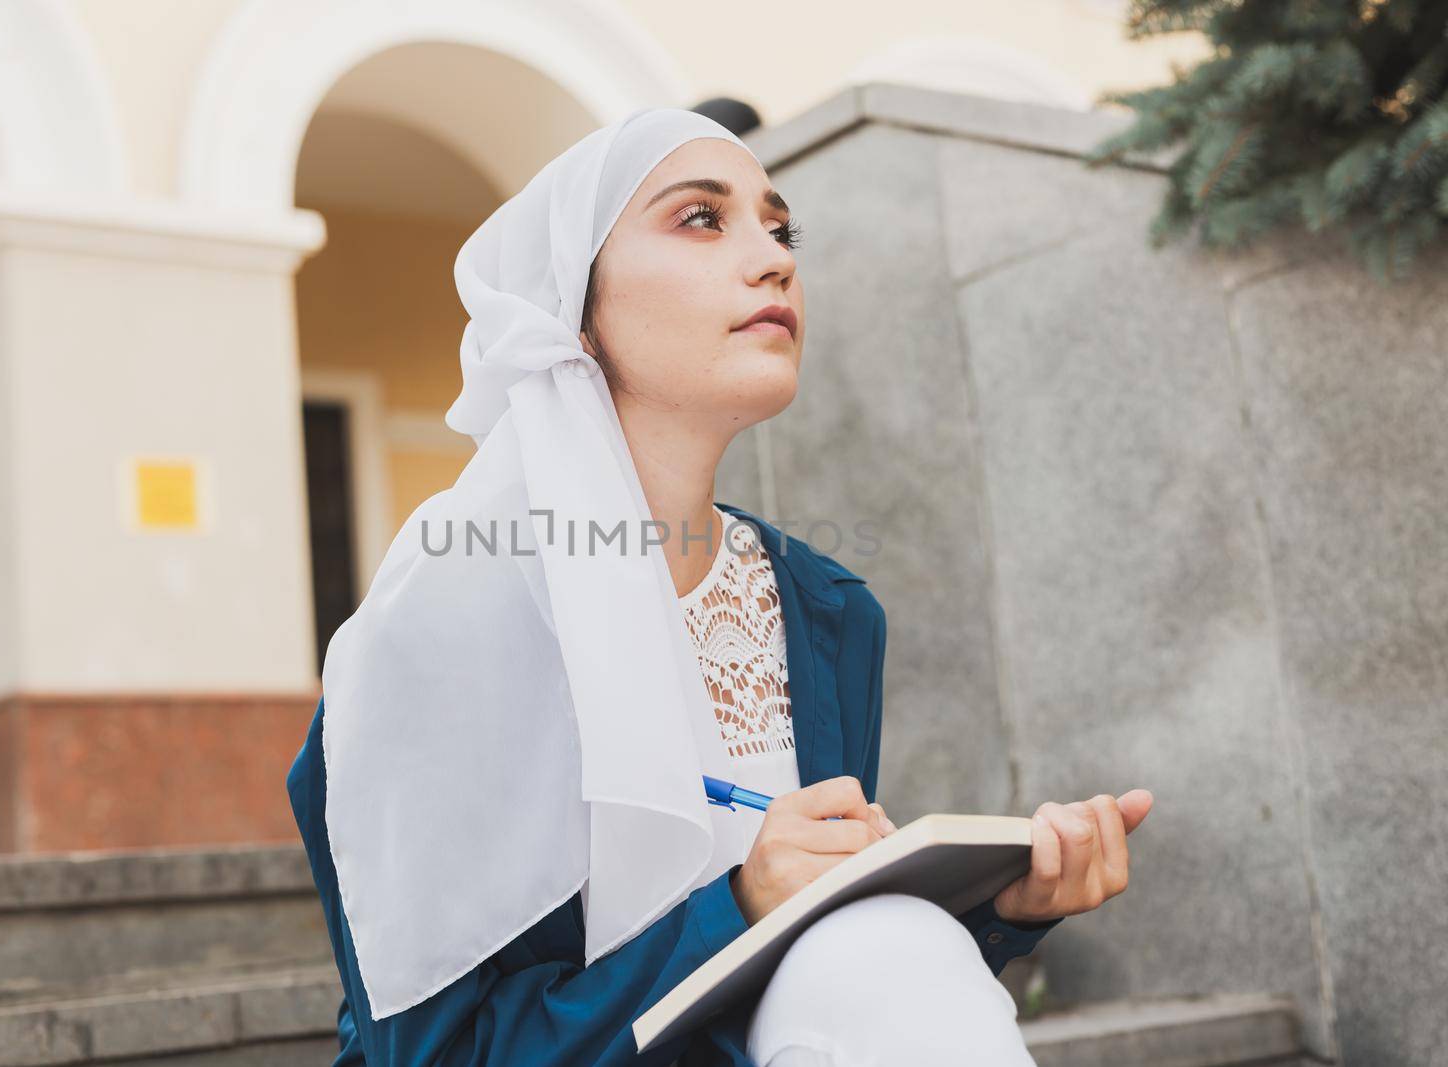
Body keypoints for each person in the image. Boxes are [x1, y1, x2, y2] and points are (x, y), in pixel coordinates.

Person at [286, 106, 1154, 1066]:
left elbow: (828, 979)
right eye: (701, 218)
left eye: (781, 229)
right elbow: (437, 1052)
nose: (774, 258)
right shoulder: (447, 613)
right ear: (574, 306)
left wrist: (1001, 908)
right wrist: (740, 902)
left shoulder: (825, 608)